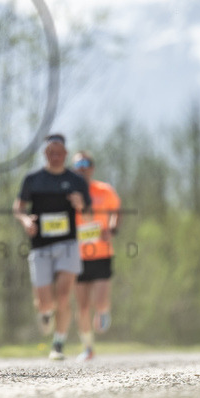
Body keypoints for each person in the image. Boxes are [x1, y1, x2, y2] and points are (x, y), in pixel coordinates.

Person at [14, 134, 92, 360]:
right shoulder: (33, 179)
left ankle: (58, 344)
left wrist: (80, 205)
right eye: (51, 153)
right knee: (46, 301)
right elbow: (18, 207)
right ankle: (46, 312)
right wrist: (26, 220)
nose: (56, 157)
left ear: (66, 154)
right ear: (45, 154)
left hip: (68, 243)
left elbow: (88, 215)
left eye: (59, 153)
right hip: (40, 246)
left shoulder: (77, 181)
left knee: (64, 294)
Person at [71, 151, 122, 361]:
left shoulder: (104, 190)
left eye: (86, 163)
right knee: (82, 306)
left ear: (92, 168)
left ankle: (103, 311)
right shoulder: (69, 193)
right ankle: (87, 347)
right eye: (78, 164)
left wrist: (112, 229)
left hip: (101, 253)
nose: (82, 167)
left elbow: (117, 212)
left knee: (99, 302)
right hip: (78, 255)